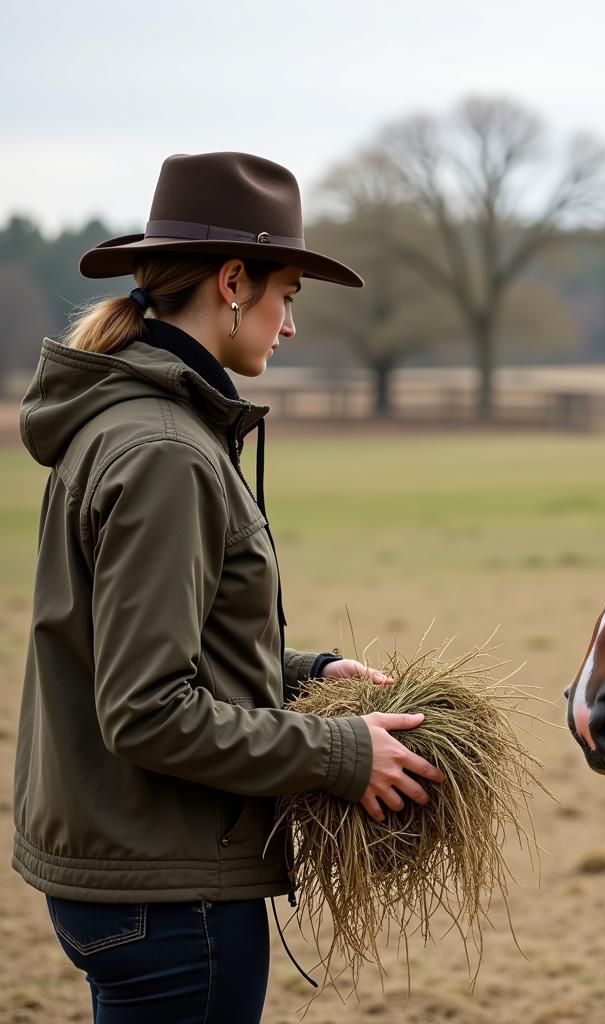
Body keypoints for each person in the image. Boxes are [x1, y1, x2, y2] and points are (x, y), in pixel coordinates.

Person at [12, 151, 444, 1023]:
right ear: (233, 281)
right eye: (287, 294)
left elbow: (140, 638)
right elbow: (146, 707)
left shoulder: (130, 425)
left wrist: (302, 675)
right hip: (173, 901)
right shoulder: (165, 451)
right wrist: (340, 753)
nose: (288, 326)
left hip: (133, 880)